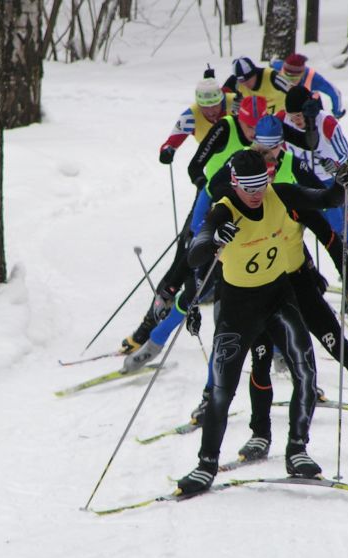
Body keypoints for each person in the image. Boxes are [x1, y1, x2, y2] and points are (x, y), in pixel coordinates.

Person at [192, 129, 348, 464]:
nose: (263, 183)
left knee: (340, 349)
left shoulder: (288, 199)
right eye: (258, 176)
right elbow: (206, 231)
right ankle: (260, 435)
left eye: (270, 170)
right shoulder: (236, 203)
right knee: (260, 362)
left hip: (298, 287)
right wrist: (211, 241)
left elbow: (331, 233)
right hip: (260, 293)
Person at [176, 149, 348, 494]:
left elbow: (328, 198)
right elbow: (194, 254)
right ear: (236, 183)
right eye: (249, 185)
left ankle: (297, 450)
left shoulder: (279, 194)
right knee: (221, 391)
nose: (257, 192)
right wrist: (213, 242)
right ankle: (206, 465)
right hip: (237, 310)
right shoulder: (223, 211)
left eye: (262, 183)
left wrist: (341, 180)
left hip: (278, 298)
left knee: (305, 371)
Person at [122, 96, 266, 372]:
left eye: (258, 129)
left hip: (242, 217)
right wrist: (207, 195)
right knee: (185, 269)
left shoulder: (268, 150)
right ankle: (146, 333)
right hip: (210, 203)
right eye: (250, 127)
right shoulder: (225, 128)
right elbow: (195, 166)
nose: (254, 134)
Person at [120, 73, 237, 356]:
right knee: (185, 254)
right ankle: (148, 327)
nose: (211, 112)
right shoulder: (192, 114)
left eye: (215, 105)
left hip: (246, 190)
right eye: (205, 107)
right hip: (209, 189)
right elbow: (173, 139)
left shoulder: (236, 106)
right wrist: (168, 150)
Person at [276, 85, 348, 324]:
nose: (295, 122)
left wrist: (336, 168)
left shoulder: (326, 122)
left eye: (298, 117)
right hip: (298, 187)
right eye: (291, 117)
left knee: (342, 243)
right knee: (288, 240)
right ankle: (301, 291)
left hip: (328, 189)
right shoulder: (280, 120)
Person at [270, 53, 345, 119]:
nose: (290, 81)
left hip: (311, 109)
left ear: (302, 74)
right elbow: (272, 63)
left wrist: (337, 113)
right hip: (288, 107)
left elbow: (335, 93)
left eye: (293, 78)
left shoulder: (314, 78)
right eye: (286, 76)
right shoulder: (279, 67)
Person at [221, 56, 289, 115]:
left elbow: (294, 91)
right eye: (242, 81)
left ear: (255, 73)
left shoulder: (272, 76)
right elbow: (233, 104)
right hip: (262, 124)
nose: (246, 84)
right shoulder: (238, 85)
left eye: (248, 79)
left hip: (285, 117)